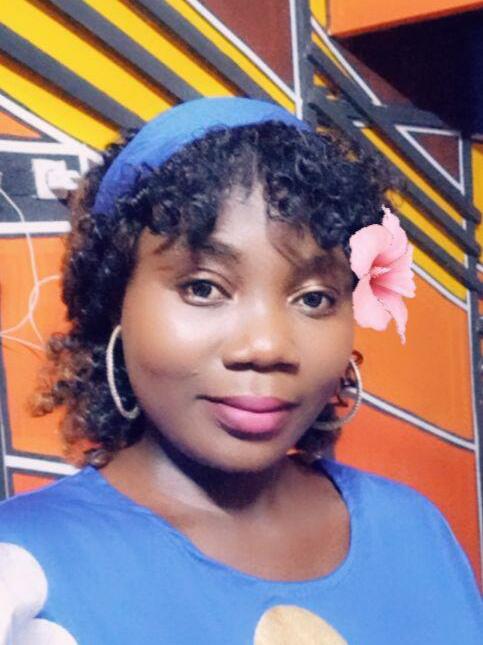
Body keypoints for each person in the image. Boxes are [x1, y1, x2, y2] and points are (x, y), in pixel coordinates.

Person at [0, 97, 481, 645]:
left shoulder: (413, 530)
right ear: (116, 304)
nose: (267, 345)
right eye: (203, 288)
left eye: (315, 298)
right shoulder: (23, 563)